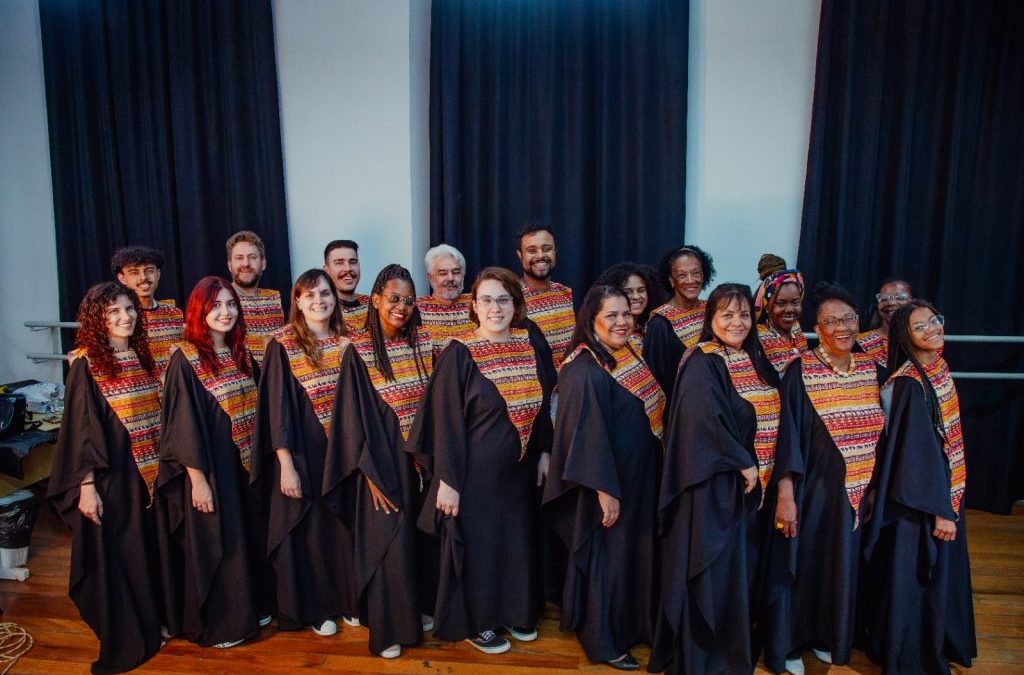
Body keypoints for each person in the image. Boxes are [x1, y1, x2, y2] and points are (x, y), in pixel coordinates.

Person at [408, 266, 553, 655]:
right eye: (486, 299)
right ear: (474, 306)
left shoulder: (530, 343)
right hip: (474, 476)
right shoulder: (459, 352)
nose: (495, 307)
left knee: (515, 542)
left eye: (503, 299)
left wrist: (543, 451)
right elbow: (446, 424)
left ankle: (514, 611)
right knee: (481, 548)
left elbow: (544, 405)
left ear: (516, 304)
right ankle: (478, 622)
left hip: (519, 473)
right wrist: (448, 481)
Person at [649, 283, 780, 675]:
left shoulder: (753, 357)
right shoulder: (703, 360)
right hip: (711, 489)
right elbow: (699, 420)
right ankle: (704, 656)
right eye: (726, 314)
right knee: (713, 572)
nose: (736, 322)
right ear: (711, 319)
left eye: (743, 314)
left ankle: (730, 646)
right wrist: (742, 461)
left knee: (737, 575)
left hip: (746, 495)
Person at [761, 282, 886, 675]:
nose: (842, 327)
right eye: (831, 321)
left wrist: (872, 488)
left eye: (848, 318)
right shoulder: (801, 370)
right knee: (803, 565)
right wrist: (786, 494)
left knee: (840, 567)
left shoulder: (872, 369)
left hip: (853, 493)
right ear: (817, 326)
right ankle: (792, 644)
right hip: (809, 490)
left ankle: (826, 635)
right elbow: (788, 437)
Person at [543, 285, 665, 670]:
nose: (621, 321)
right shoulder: (583, 368)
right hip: (608, 488)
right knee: (608, 564)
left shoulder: (628, 354)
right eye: (611, 315)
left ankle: (635, 626)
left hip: (639, 481)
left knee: (634, 558)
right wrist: (605, 491)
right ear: (591, 318)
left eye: (626, 314)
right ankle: (604, 642)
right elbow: (585, 436)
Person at [48, 281, 164, 674]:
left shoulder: (143, 357)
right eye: (113, 312)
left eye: (129, 309)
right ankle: (131, 631)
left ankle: (153, 620)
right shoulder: (86, 364)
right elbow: (81, 428)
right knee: (123, 554)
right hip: (111, 478)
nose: (125, 317)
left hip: (147, 475)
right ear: (97, 320)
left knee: (146, 552)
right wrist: (86, 487)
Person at [155, 276, 272, 649]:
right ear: (199, 311)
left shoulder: (241, 353)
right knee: (220, 542)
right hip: (209, 468)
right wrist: (198, 480)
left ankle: (253, 606)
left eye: (231, 305)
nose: (225, 312)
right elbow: (182, 425)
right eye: (216, 306)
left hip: (242, 465)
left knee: (248, 536)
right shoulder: (184, 358)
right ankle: (225, 622)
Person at [861, 300, 976, 674]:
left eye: (934, 321)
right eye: (920, 327)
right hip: (918, 505)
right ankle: (907, 658)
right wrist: (941, 509)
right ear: (905, 338)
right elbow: (914, 459)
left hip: (943, 491)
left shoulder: (938, 370)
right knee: (912, 581)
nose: (932, 329)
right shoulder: (910, 384)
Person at [325, 264, 433, 659]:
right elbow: (351, 420)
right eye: (393, 299)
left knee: (415, 541)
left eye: (408, 300)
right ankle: (388, 629)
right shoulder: (357, 350)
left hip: (414, 461)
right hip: (378, 464)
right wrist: (368, 476)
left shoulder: (421, 344)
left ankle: (412, 613)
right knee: (388, 543)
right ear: (375, 300)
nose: (401, 307)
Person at [250, 269, 356, 636]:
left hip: (341, 452)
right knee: (308, 534)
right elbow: (277, 409)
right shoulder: (282, 344)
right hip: (301, 453)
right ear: (297, 301)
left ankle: (345, 601)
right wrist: (285, 464)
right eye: (309, 295)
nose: (319, 301)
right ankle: (315, 609)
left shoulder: (348, 341)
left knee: (339, 530)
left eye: (325, 294)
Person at [643, 244, 716, 402]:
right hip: (680, 409)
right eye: (682, 275)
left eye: (696, 273)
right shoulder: (660, 323)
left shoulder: (712, 310)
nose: (691, 281)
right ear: (671, 280)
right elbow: (655, 381)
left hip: (714, 401)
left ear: (704, 275)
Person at [112, 245, 184, 376]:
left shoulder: (174, 314)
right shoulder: (119, 320)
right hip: (137, 393)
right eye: (134, 272)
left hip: (174, 393)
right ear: (122, 278)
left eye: (149, 270)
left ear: (158, 274)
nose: (143, 277)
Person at [516, 221, 575, 367]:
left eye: (547, 249)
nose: (541, 255)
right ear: (520, 255)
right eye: (532, 250)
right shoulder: (511, 299)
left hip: (570, 383)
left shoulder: (567, 294)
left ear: (555, 252)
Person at [226, 231, 285, 367]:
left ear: (263, 263)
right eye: (239, 258)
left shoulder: (276, 299)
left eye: (252, 257)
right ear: (230, 265)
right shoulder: (218, 301)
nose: (246, 263)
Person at [753, 254, 808, 374]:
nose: (789, 309)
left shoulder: (795, 328)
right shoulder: (760, 336)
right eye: (781, 303)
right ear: (767, 307)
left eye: (795, 302)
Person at [417, 243, 475, 347]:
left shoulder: (477, 304)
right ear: (430, 278)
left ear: (463, 275)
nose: (451, 278)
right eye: (443, 273)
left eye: (456, 272)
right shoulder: (417, 308)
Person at [594, 262, 664, 344]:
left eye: (641, 290)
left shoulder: (650, 327)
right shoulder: (608, 333)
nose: (636, 296)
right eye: (628, 292)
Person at [856, 278, 914, 367]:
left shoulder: (923, 340)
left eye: (900, 298)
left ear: (913, 302)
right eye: (884, 299)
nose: (890, 302)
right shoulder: (860, 342)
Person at [324, 239, 370, 328]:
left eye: (353, 262)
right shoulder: (320, 311)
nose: (347, 268)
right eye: (339, 263)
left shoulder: (376, 306)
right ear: (326, 270)